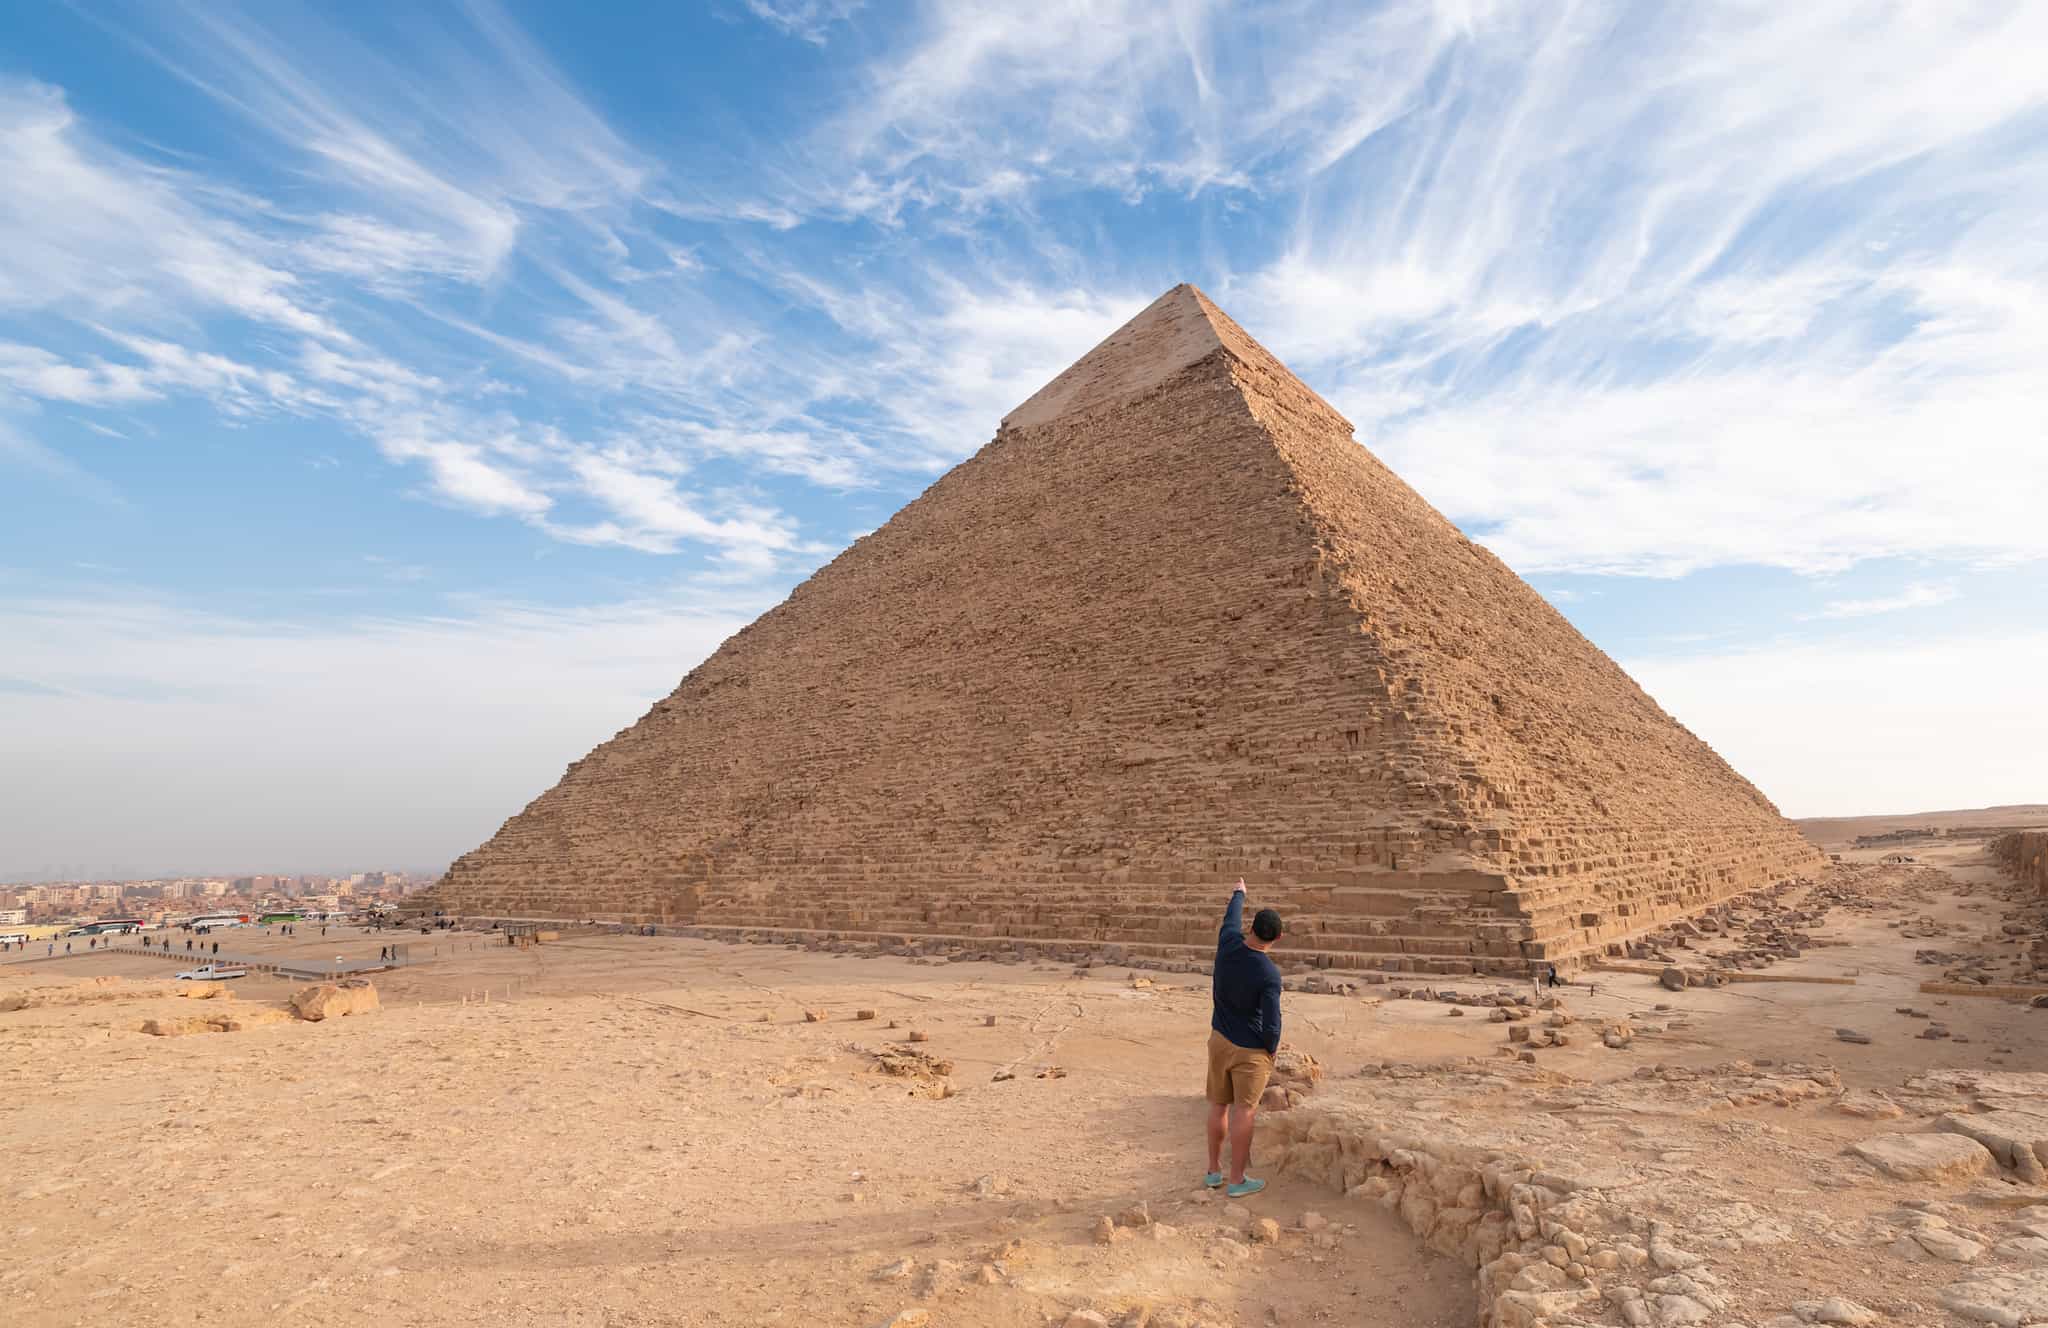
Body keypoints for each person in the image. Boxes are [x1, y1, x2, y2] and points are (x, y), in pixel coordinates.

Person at [1205, 878, 1283, 1198]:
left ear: (1251, 928)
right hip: (1250, 1050)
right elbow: (1272, 1023)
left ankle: (1213, 1171)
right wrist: (1271, 1051)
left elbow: (1230, 917)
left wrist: (1239, 893)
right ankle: (1237, 1179)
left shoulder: (1228, 942)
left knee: (1218, 1106)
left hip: (1219, 1039)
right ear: (1278, 938)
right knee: (1244, 1112)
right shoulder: (1268, 973)